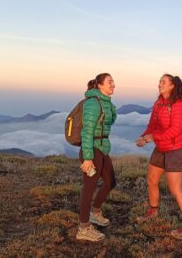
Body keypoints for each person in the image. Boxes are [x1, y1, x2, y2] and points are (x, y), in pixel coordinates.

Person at [135, 74, 182, 240]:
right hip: (160, 147)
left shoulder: (178, 105)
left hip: (174, 150)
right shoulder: (158, 103)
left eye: (163, 82)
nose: (159, 84)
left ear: (172, 86)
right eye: (159, 82)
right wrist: (144, 137)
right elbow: (152, 125)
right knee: (152, 181)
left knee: (175, 189)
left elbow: (175, 131)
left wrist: (151, 138)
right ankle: (153, 212)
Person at [76, 73, 117, 242]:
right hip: (92, 150)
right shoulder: (93, 103)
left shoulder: (106, 103)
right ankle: (83, 228)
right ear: (99, 85)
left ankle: (95, 213)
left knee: (110, 182)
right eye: (109, 82)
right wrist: (87, 158)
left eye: (113, 81)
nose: (113, 84)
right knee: (89, 188)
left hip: (102, 148)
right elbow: (86, 132)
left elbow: (109, 121)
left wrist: (110, 105)